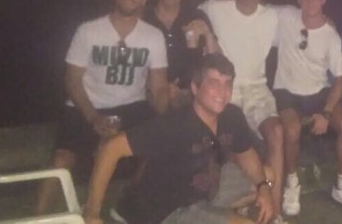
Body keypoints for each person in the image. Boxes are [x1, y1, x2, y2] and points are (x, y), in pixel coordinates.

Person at [83, 52, 275, 224]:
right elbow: (111, 148)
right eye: (213, 83)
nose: (222, 92)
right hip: (167, 210)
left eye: (227, 84)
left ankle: (216, 214)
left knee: (267, 176)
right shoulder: (174, 126)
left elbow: (246, 154)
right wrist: (92, 214)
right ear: (195, 87)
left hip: (205, 188)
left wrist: (263, 188)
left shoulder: (232, 115)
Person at [36, 0, 169, 214]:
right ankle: (37, 216)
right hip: (87, 105)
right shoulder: (88, 31)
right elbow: (72, 80)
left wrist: (167, 116)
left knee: (158, 147)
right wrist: (93, 117)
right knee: (61, 159)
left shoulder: (153, 36)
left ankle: (126, 204)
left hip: (132, 106)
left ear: (144, 0)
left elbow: (159, 86)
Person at [199, 0, 285, 222]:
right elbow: (188, 12)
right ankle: (238, 202)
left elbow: (306, 15)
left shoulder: (271, 15)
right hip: (227, 88)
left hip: (257, 87)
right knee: (231, 145)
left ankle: (275, 213)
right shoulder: (216, 8)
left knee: (276, 132)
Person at [272, 0, 342, 217]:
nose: (311, 1)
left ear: (324, 0)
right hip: (287, 91)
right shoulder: (286, 15)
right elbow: (253, 7)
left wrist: (326, 112)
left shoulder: (331, 36)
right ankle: (292, 185)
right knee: (291, 130)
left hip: (318, 91)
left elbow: (340, 80)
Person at [143, 0, 219, 106]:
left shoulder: (196, 16)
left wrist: (208, 35)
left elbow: (216, 61)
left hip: (190, 95)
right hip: (148, 93)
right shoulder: (144, 18)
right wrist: (160, 89)